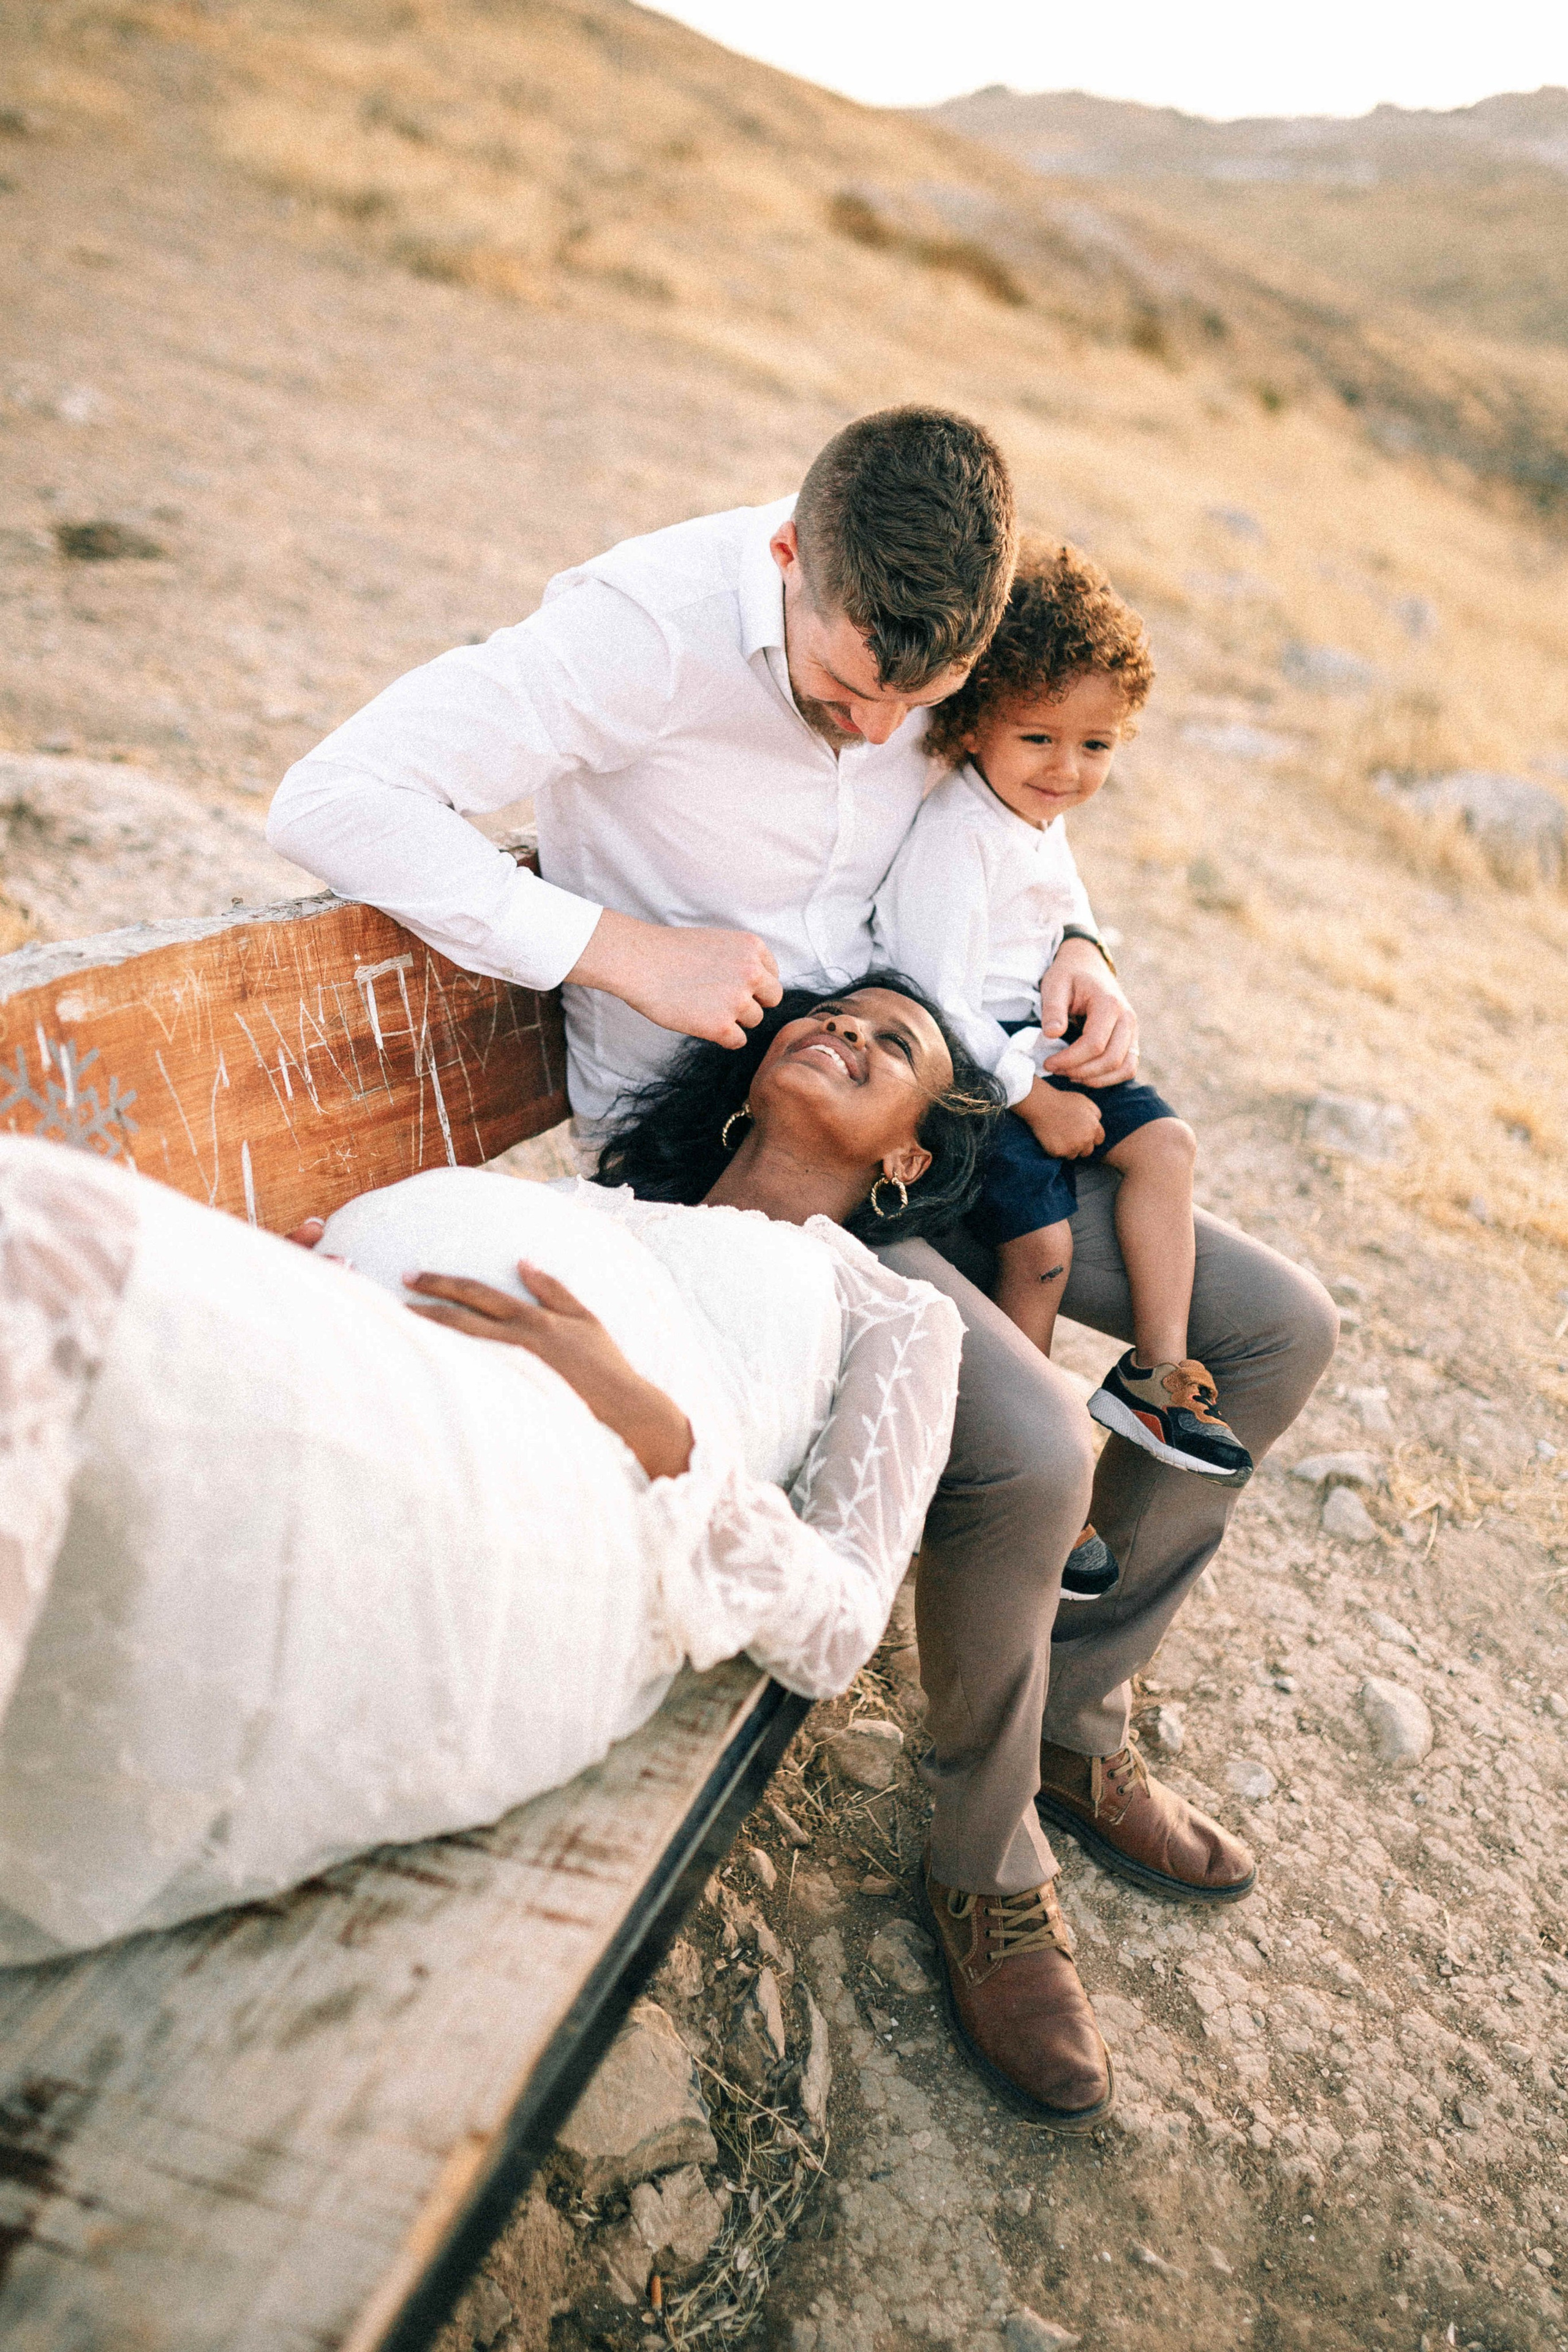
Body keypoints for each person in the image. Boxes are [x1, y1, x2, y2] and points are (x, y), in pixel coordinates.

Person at [265, 406, 1338, 2130]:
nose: (884, 731)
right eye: (845, 696)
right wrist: (616, 949)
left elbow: (1016, 805)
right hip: (754, 1147)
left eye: (927, 701)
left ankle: (1074, 1718)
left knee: (1276, 1329)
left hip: (942, 1095)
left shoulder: (940, 632)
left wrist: (1079, 938)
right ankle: (983, 1863)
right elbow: (334, 796)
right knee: (1032, 1449)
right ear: (786, 558)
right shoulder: (637, 633)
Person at [0, 979, 1001, 1969]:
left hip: (556, 1502)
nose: (845, 1027)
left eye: (894, 1043)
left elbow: (839, 1629)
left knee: (40, 1230)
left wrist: (650, 1419)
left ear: (907, 1156)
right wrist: (304, 1275)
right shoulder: (586, 1204)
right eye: (833, 1013)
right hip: (379, 1378)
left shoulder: (893, 1310)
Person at [873, 542, 1253, 1618]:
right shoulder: (956, 834)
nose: (1066, 769)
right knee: (1039, 1251)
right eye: (1038, 738)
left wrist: (1088, 982)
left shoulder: (1039, 817)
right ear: (973, 723)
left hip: (1040, 1048)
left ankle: (1154, 1378)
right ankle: (1038, 1471)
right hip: (973, 1070)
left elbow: (1064, 917)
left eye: (1096, 745)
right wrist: (1031, 1097)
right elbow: (932, 997)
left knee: (1167, 1146)